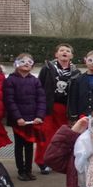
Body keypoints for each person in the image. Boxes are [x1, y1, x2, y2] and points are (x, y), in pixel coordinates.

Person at [3, 52, 46, 181]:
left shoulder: (35, 81)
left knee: (29, 145)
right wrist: (17, 118)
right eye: (23, 61)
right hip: (19, 120)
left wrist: (39, 116)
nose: (26, 64)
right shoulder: (10, 80)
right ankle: (21, 170)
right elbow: (9, 101)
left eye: (29, 62)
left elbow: (41, 99)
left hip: (32, 119)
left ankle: (28, 170)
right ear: (16, 64)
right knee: (19, 145)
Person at [37, 43, 79, 173]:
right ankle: (42, 161)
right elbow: (39, 87)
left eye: (67, 51)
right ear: (56, 54)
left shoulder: (76, 72)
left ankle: (58, 161)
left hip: (65, 109)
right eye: (61, 50)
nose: (64, 52)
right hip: (49, 107)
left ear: (71, 55)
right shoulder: (47, 68)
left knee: (62, 136)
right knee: (46, 134)